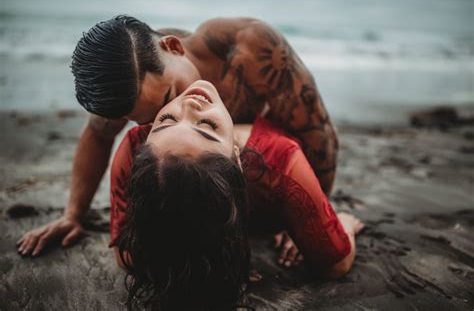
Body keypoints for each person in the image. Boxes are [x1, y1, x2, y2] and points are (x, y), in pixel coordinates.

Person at [17, 16, 340, 265]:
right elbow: (98, 135)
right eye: (152, 119)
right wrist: (74, 213)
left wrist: (306, 222)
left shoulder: (250, 49)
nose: (171, 112)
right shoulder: (126, 81)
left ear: (173, 46)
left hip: (260, 184)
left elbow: (317, 133)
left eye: (169, 95)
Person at [108, 80, 364, 309]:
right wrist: (344, 222)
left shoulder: (134, 147)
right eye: (207, 126)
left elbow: (126, 254)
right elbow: (335, 265)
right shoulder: (282, 160)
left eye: (165, 121)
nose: (189, 105)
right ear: (237, 159)